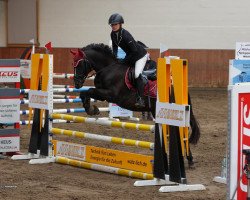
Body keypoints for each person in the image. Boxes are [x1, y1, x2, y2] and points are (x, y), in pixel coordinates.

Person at [108, 13, 148, 108]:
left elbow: (134, 51)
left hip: (140, 56)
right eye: (112, 25)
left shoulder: (126, 35)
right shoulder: (113, 34)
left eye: (115, 24)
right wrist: (114, 59)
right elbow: (115, 48)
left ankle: (140, 99)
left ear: (120, 24)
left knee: (137, 74)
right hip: (130, 55)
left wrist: (124, 61)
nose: (113, 26)